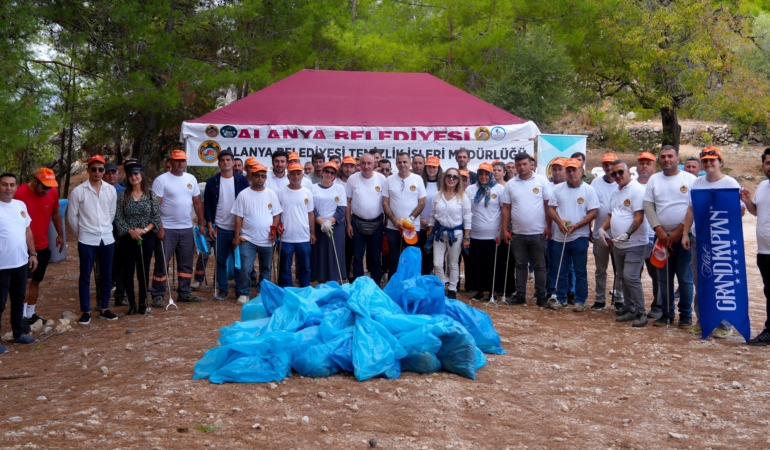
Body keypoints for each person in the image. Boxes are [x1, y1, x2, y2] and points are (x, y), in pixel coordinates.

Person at [683, 147, 744, 338]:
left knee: (722, 281)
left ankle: (724, 325)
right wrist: (685, 233)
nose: (709, 163)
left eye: (713, 160)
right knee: (701, 280)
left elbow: (740, 211)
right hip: (699, 240)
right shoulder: (697, 183)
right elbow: (691, 210)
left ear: (720, 162)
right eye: (705, 160)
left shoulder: (730, 183)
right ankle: (703, 321)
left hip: (721, 241)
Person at [643, 145, 697, 328]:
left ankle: (685, 315)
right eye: (663, 156)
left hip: (684, 238)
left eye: (670, 156)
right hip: (661, 238)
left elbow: (693, 208)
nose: (666, 159)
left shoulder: (689, 179)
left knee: (684, 277)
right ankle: (666, 313)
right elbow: (648, 206)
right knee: (664, 277)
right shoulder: (654, 179)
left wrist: (679, 231)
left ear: (677, 159)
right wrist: (658, 230)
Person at [597, 160, 650, 327]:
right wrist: (602, 228)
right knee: (622, 277)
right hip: (618, 244)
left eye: (620, 172)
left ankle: (641, 312)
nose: (617, 176)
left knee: (631, 276)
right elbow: (610, 215)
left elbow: (639, 216)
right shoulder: (615, 192)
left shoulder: (637, 190)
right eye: (614, 173)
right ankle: (629, 309)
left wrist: (627, 234)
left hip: (635, 242)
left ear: (628, 172)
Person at [67, 155, 119, 324]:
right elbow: (72, 217)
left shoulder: (110, 190)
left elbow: (111, 213)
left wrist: (104, 227)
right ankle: (86, 311)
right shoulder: (78, 191)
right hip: (87, 239)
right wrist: (82, 233)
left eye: (100, 169)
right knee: (85, 275)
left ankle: (104, 308)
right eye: (94, 169)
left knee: (107, 275)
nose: (97, 172)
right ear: (88, 170)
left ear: (104, 171)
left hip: (106, 238)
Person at [150, 150, 205, 306]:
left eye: (183, 160)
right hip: (167, 228)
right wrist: (159, 227)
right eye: (177, 160)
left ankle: (184, 293)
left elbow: (197, 203)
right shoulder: (161, 180)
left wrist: (201, 224)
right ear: (171, 161)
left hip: (186, 228)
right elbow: (155, 206)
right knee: (162, 262)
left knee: (186, 262)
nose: (181, 163)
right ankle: (158, 294)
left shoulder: (191, 178)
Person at [547, 158, 599, 311]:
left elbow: (593, 212)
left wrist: (577, 226)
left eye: (574, 169)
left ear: (581, 171)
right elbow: (551, 209)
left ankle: (580, 301)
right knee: (560, 270)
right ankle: (561, 298)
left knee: (580, 271)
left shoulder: (589, 190)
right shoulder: (558, 189)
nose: (571, 173)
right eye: (568, 170)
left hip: (579, 237)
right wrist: (559, 222)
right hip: (560, 236)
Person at [501, 153, 552, 306]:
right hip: (517, 233)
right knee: (520, 265)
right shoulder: (511, 184)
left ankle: (541, 296)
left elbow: (548, 206)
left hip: (538, 232)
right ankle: (520, 295)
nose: (522, 167)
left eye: (524, 164)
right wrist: (504, 230)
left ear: (531, 164)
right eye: (519, 165)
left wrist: (549, 227)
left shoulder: (541, 181)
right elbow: (506, 208)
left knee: (539, 266)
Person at [14, 168, 63, 325]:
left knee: (35, 281)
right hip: (23, 246)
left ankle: (30, 313)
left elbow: (55, 213)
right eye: (44, 187)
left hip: (42, 245)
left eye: (50, 187)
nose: (47, 191)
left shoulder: (52, 192)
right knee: (26, 282)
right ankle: (21, 317)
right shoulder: (19, 193)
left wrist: (60, 234)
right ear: (35, 181)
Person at [204, 149, 250, 302]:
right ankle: (222, 289)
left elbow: (248, 204)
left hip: (239, 229)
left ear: (232, 162)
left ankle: (239, 289)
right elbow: (207, 206)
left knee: (239, 261)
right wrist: (210, 226)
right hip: (220, 228)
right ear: (219, 163)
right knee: (220, 261)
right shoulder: (212, 181)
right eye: (222, 160)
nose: (225, 162)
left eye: (228, 160)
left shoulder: (242, 181)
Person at [0, 172, 39, 350]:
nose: (8, 188)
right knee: (0, 304)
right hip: (2, 265)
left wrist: (33, 253)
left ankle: (18, 334)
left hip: (21, 263)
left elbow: (27, 231)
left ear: (16, 187)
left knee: (18, 300)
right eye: (4, 184)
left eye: (12, 185)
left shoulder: (20, 205)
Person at [232, 163, 282, 300]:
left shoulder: (271, 194)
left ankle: (262, 291)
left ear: (266, 178)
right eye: (257, 176)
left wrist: (273, 231)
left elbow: (276, 214)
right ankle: (244, 292)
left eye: (263, 176)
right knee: (245, 268)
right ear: (252, 176)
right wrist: (236, 236)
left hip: (267, 239)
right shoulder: (243, 194)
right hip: (247, 238)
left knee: (266, 268)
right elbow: (238, 218)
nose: (260, 178)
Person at [115, 162, 160, 315]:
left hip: (146, 237)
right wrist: (131, 231)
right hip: (128, 238)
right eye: (130, 175)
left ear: (141, 175)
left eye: (136, 174)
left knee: (143, 270)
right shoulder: (123, 195)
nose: (133, 177)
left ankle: (142, 303)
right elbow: (119, 217)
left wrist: (144, 230)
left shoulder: (151, 194)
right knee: (128, 271)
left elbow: (156, 217)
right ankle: (132, 304)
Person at [427, 168, 471, 299]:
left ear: (458, 180)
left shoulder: (463, 197)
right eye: (449, 176)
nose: (451, 179)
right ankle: (441, 287)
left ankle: (452, 289)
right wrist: (430, 231)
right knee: (437, 263)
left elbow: (467, 218)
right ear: (444, 178)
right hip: (439, 233)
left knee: (453, 262)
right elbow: (433, 215)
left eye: (454, 177)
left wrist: (466, 237)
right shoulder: (437, 195)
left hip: (456, 234)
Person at [465, 163, 507, 301]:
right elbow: (466, 211)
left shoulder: (499, 189)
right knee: (477, 265)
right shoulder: (470, 189)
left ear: (490, 175)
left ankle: (493, 291)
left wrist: (502, 230)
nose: (483, 177)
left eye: (486, 174)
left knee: (493, 264)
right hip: (475, 234)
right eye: (481, 174)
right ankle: (480, 291)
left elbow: (504, 210)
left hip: (493, 235)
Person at [590, 153, 625, 310]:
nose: (609, 167)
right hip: (600, 232)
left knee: (620, 269)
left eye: (611, 164)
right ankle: (600, 299)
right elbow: (591, 207)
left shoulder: (622, 183)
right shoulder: (596, 183)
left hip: (619, 233)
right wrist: (590, 228)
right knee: (600, 269)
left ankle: (619, 299)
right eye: (605, 164)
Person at [382, 152, 426, 274]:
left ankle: (410, 283)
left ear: (410, 163)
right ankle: (394, 284)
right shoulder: (389, 180)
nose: (402, 164)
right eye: (399, 162)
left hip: (412, 227)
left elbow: (422, 202)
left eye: (405, 162)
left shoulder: (418, 179)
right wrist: (393, 220)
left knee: (410, 259)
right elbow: (385, 202)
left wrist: (410, 220)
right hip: (393, 227)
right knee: (394, 259)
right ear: (396, 164)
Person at [346, 153, 387, 285]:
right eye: (363, 163)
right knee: (357, 257)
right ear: (359, 165)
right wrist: (348, 223)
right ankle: (358, 286)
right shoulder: (352, 179)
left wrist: (387, 221)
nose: (366, 166)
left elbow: (386, 202)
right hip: (356, 223)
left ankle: (375, 286)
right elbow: (348, 203)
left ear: (374, 164)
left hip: (377, 222)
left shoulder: (381, 179)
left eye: (369, 163)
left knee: (375, 257)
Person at [743, 148, 770, 345]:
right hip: (764, 251)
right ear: (763, 166)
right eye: (768, 163)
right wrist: (747, 201)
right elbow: (756, 212)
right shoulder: (762, 186)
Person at [94, 162, 127, 307]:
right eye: (108, 173)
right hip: (102, 233)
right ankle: (102, 299)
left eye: (113, 172)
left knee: (121, 267)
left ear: (118, 174)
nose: (111, 175)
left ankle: (120, 296)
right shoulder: (97, 190)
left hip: (121, 234)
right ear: (103, 174)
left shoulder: (124, 192)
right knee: (103, 268)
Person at [277, 162, 315, 287]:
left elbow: (310, 214)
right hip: (286, 237)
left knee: (305, 267)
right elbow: (277, 213)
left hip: (303, 236)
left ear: (302, 176)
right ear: (288, 176)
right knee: (285, 267)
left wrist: (312, 233)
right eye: (293, 174)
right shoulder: (280, 192)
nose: (296, 176)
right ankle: (286, 290)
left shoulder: (307, 192)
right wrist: (277, 227)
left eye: (298, 174)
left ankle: (305, 289)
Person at [311, 161, 348, 282]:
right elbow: (312, 209)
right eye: (327, 171)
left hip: (335, 227)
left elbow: (341, 209)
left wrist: (329, 222)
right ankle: (321, 281)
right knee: (320, 255)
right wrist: (322, 223)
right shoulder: (313, 188)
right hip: (318, 226)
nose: (329, 174)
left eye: (332, 173)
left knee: (334, 255)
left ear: (335, 175)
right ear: (323, 172)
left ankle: (334, 281)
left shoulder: (339, 188)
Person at [636, 152, 662, 319]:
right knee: (633, 274)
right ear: (636, 166)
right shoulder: (630, 185)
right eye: (641, 163)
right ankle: (633, 305)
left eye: (648, 163)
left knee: (657, 274)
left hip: (655, 236)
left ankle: (658, 306)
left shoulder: (660, 185)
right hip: (636, 238)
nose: (644, 166)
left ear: (654, 167)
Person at [546, 158, 575, 302]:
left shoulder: (573, 187)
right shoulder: (547, 186)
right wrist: (548, 228)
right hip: (552, 232)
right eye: (554, 169)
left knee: (570, 266)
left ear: (566, 171)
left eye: (560, 169)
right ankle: (552, 289)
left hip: (570, 232)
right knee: (553, 263)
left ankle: (571, 290)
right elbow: (547, 210)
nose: (557, 172)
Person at [418, 156, 443, 275]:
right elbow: (413, 202)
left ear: (438, 168)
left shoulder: (443, 185)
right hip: (420, 226)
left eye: (434, 167)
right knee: (422, 256)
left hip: (437, 227)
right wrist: (420, 219)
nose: (431, 169)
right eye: (429, 167)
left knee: (437, 259)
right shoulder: (419, 182)